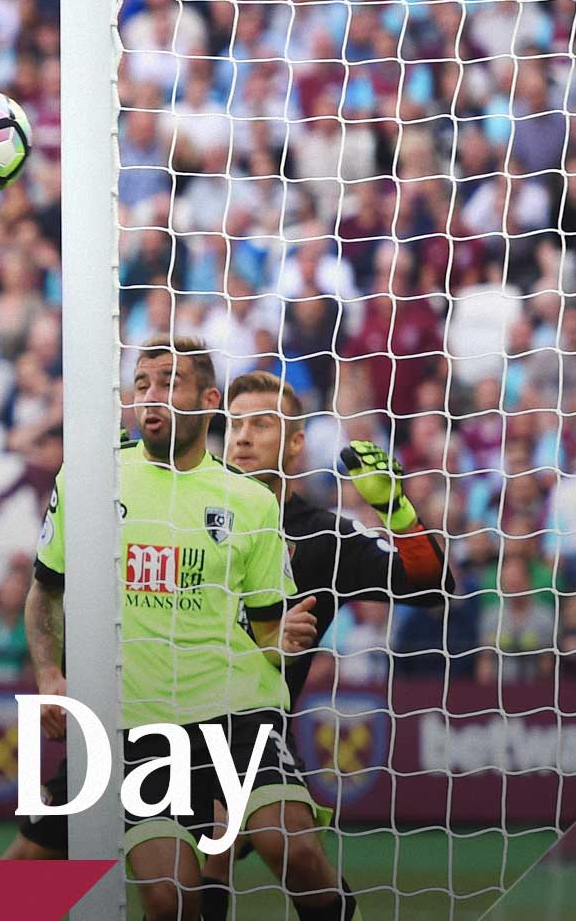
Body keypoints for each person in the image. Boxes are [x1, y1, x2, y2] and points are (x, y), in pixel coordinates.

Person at [4, 340, 323, 921]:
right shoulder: (91, 479)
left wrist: (284, 641)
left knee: (295, 850)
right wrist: (49, 676)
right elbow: (44, 592)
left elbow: (267, 633)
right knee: (169, 898)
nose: (151, 396)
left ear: (208, 400)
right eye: (142, 384)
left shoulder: (250, 501)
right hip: (139, 718)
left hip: (236, 710)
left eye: (169, 383)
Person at [206, 368, 450, 919]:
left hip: (256, 730)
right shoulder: (189, 519)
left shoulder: (325, 534)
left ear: (296, 443)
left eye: (260, 424)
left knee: (291, 855)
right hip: (170, 719)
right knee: (189, 867)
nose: (241, 436)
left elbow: (433, 585)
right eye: (234, 424)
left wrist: (396, 508)